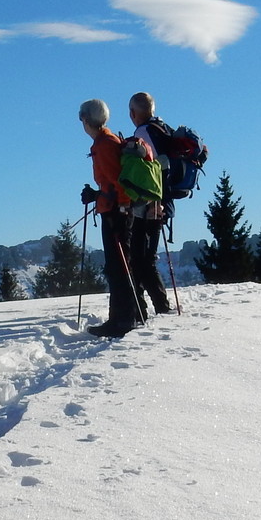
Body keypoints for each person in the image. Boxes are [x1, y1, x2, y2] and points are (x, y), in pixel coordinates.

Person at [77, 99, 140, 339]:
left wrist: (121, 208)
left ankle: (122, 320)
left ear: (86, 119)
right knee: (118, 266)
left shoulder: (104, 144)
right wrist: (96, 195)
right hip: (114, 209)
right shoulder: (104, 142)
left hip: (116, 213)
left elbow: (117, 182)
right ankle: (124, 317)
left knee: (118, 267)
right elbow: (112, 183)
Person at [126, 91, 173, 315]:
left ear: (134, 113)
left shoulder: (144, 133)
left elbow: (152, 172)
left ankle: (145, 309)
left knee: (140, 260)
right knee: (147, 260)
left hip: (150, 205)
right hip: (163, 203)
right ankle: (157, 308)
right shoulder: (163, 128)